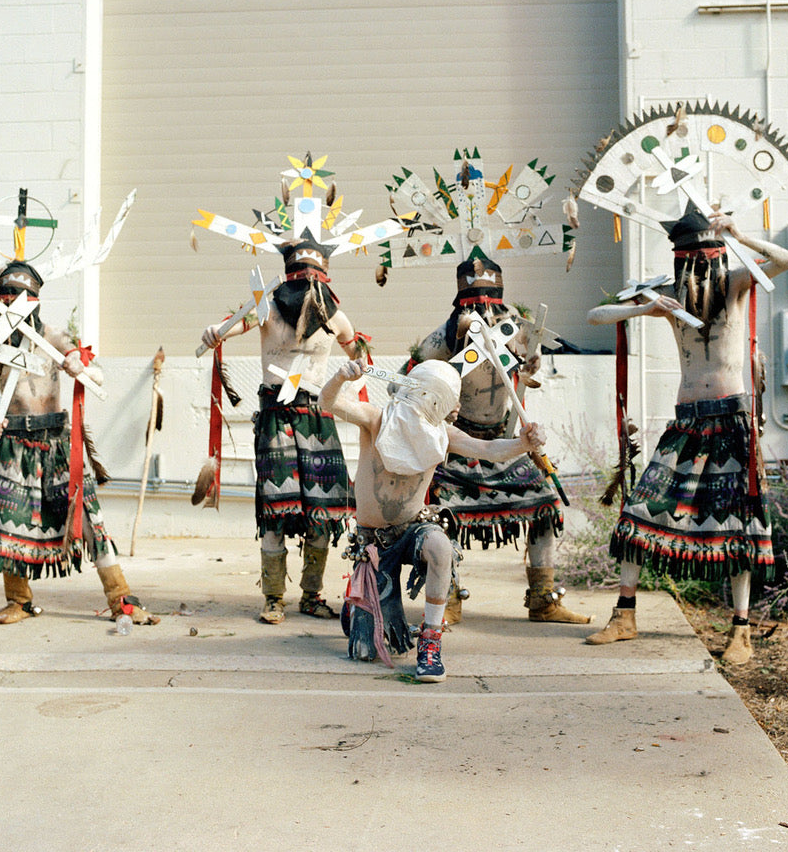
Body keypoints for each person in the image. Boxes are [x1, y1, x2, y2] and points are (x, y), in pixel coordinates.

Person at [585, 207, 788, 664]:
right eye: (688, 260)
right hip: (686, 421)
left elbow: (787, 263)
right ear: (678, 261)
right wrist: (647, 306)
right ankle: (625, 615)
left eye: (704, 258)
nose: (696, 270)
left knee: (737, 523)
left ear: (718, 257)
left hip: (731, 419)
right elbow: (596, 315)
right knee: (639, 511)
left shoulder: (736, 283)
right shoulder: (669, 296)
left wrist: (740, 234)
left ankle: (740, 630)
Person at [318, 357, 546, 682]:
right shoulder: (377, 418)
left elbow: (490, 449)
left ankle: (431, 640)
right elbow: (328, 402)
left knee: (440, 546)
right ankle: (359, 608)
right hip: (373, 544)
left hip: (412, 528)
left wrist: (524, 443)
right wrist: (340, 377)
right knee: (365, 651)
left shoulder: (443, 433)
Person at [0, 260, 159, 626]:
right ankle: (18, 600)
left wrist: (79, 368)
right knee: (11, 523)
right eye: (7, 300)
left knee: (88, 518)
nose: (13, 308)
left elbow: (94, 372)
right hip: (13, 445)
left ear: (34, 303)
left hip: (55, 442)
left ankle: (121, 599)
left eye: (22, 301)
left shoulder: (53, 337)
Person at [407, 254, 590, 626]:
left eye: (491, 302)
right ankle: (449, 596)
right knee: (442, 515)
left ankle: (542, 598)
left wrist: (531, 363)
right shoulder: (447, 334)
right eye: (475, 302)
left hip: (505, 439)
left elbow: (531, 359)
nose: (484, 311)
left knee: (544, 505)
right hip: (458, 444)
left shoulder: (516, 327)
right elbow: (411, 374)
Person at [201, 233, 363, 624]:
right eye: (299, 276)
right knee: (276, 509)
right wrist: (215, 331)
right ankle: (273, 598)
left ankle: (312, 594)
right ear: (287, 275)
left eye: (315, 277)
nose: (307, 285)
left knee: (324, 510)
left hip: (317, 415)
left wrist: (360, 365)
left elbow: (358, 352)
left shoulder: (336, 317)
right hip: (276, 413)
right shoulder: (266, 308)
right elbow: (229, 327)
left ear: (326, 277)